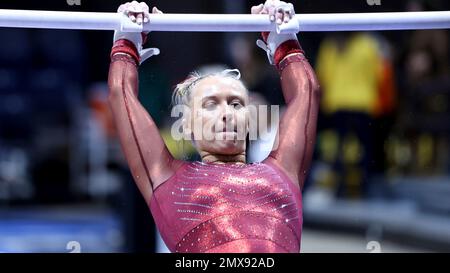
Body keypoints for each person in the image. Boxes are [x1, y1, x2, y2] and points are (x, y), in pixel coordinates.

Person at [108, 0, 320, 253]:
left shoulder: (285, 170)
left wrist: (282, 39)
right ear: (188, 125)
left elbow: (308, 91)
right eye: (211, 105)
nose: (226, 114)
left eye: (235, 104)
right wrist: (127, 39)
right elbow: (121, 94)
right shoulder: (166, 178)